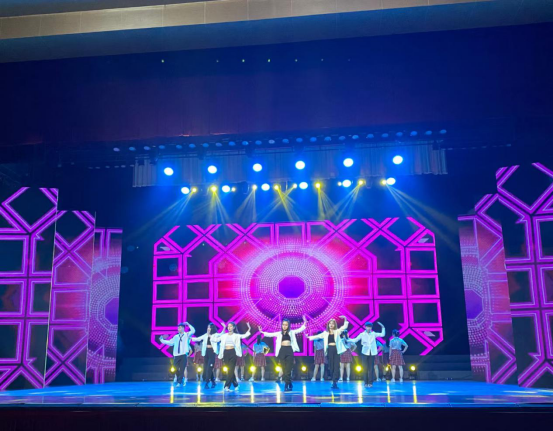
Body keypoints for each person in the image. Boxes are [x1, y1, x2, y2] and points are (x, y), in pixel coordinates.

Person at [259, 315, 307, 391]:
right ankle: (289, 382)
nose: (284, 326)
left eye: (286, 325)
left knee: (288, 368)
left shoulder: (292, 332)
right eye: (283, 324)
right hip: (282, 350)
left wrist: (305, 322)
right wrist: (262, 332)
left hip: (289, 350)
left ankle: (286, 385)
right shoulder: (279, 333)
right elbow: (271, 334)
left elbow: (300, 329)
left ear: (288, 325)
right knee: (284, 369)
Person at [307, 316, 349, 389]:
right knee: (331, 366)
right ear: (328, 325)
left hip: (336, 349)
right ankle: (333, 380)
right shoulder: (325, 333)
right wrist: (309, 337)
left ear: (334, 325)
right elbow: (317, 336)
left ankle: (335, 382)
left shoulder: (337, 331)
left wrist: (345, 319)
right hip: (329, 350)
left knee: (336, 366)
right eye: (330, 323)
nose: (331, 325)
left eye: (333, 323)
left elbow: (344, 327)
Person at [211, 321, 251, 392]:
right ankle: (236, 385)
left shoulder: (236, 335)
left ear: (234, 327)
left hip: (233, 352)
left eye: (231, 326)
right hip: (225, 353)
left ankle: (226, 386)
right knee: (230, 370)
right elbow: (216, 340)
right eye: (228, 326)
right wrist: (211, 335)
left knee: (231, 369)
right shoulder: (224, 335)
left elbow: (244, 335)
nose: (229, 327)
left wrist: (249, 328)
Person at [350, 321, 385, 388]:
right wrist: (347, 339)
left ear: (371, 328)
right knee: (365, 368)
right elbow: (355, 340)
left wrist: (383, 327)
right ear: (365, 327)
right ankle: (365, 382)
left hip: (372, 353)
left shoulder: (374, 334)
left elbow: (382, 334)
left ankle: (370, 383)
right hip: (365, 353)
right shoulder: (362, 334)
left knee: (371, 368)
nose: (369, 328)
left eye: (370, 327)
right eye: (368, 327)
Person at [159, 322, 195, 387]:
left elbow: (193, 331)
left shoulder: (187, 335)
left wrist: (188, 324)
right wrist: (162, 340)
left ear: (183, 328)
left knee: (182, 369)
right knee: (175, 368)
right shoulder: (176, 337)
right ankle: (181, 378)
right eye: (178, 328)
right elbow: (170, 343)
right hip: (176, 355)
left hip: (183, 354)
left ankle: (179, 382)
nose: (178, 329)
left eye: (180, 328)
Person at [191, 322, 224, 389]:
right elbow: (198, 338)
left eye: (209, 327)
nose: (208, 328)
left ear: (212, 328)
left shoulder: (215, 335)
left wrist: (224, 327)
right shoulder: (205, 335)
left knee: (209, 367)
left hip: (212, 352)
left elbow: (221, 334)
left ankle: (207, 382)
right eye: (208, 327)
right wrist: (191, 338)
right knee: (207, 368)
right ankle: (213, 382)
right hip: (206, 352)